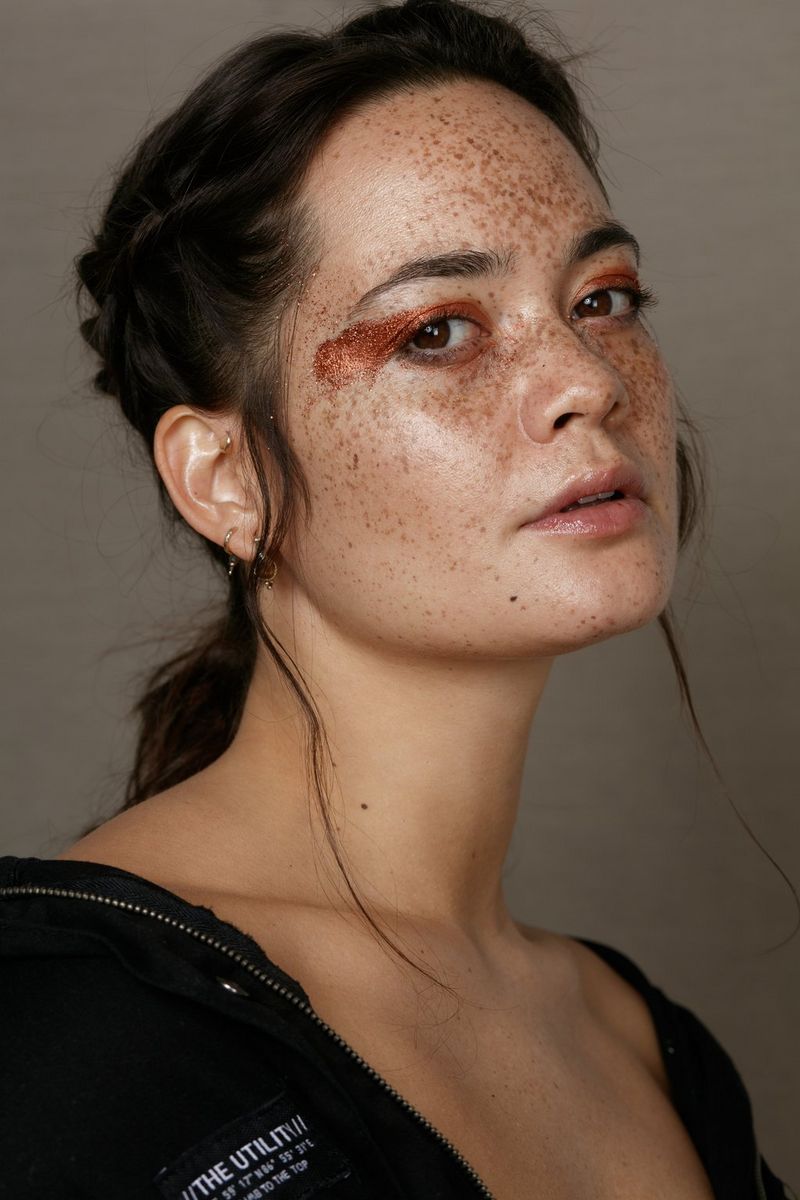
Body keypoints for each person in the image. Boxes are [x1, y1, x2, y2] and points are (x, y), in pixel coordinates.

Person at [0, 0, 793, 1196]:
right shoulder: (65, 1042)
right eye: (436, 332)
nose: (585, 380)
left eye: (601, 298)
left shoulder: (640, 1042)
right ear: (226, 480)